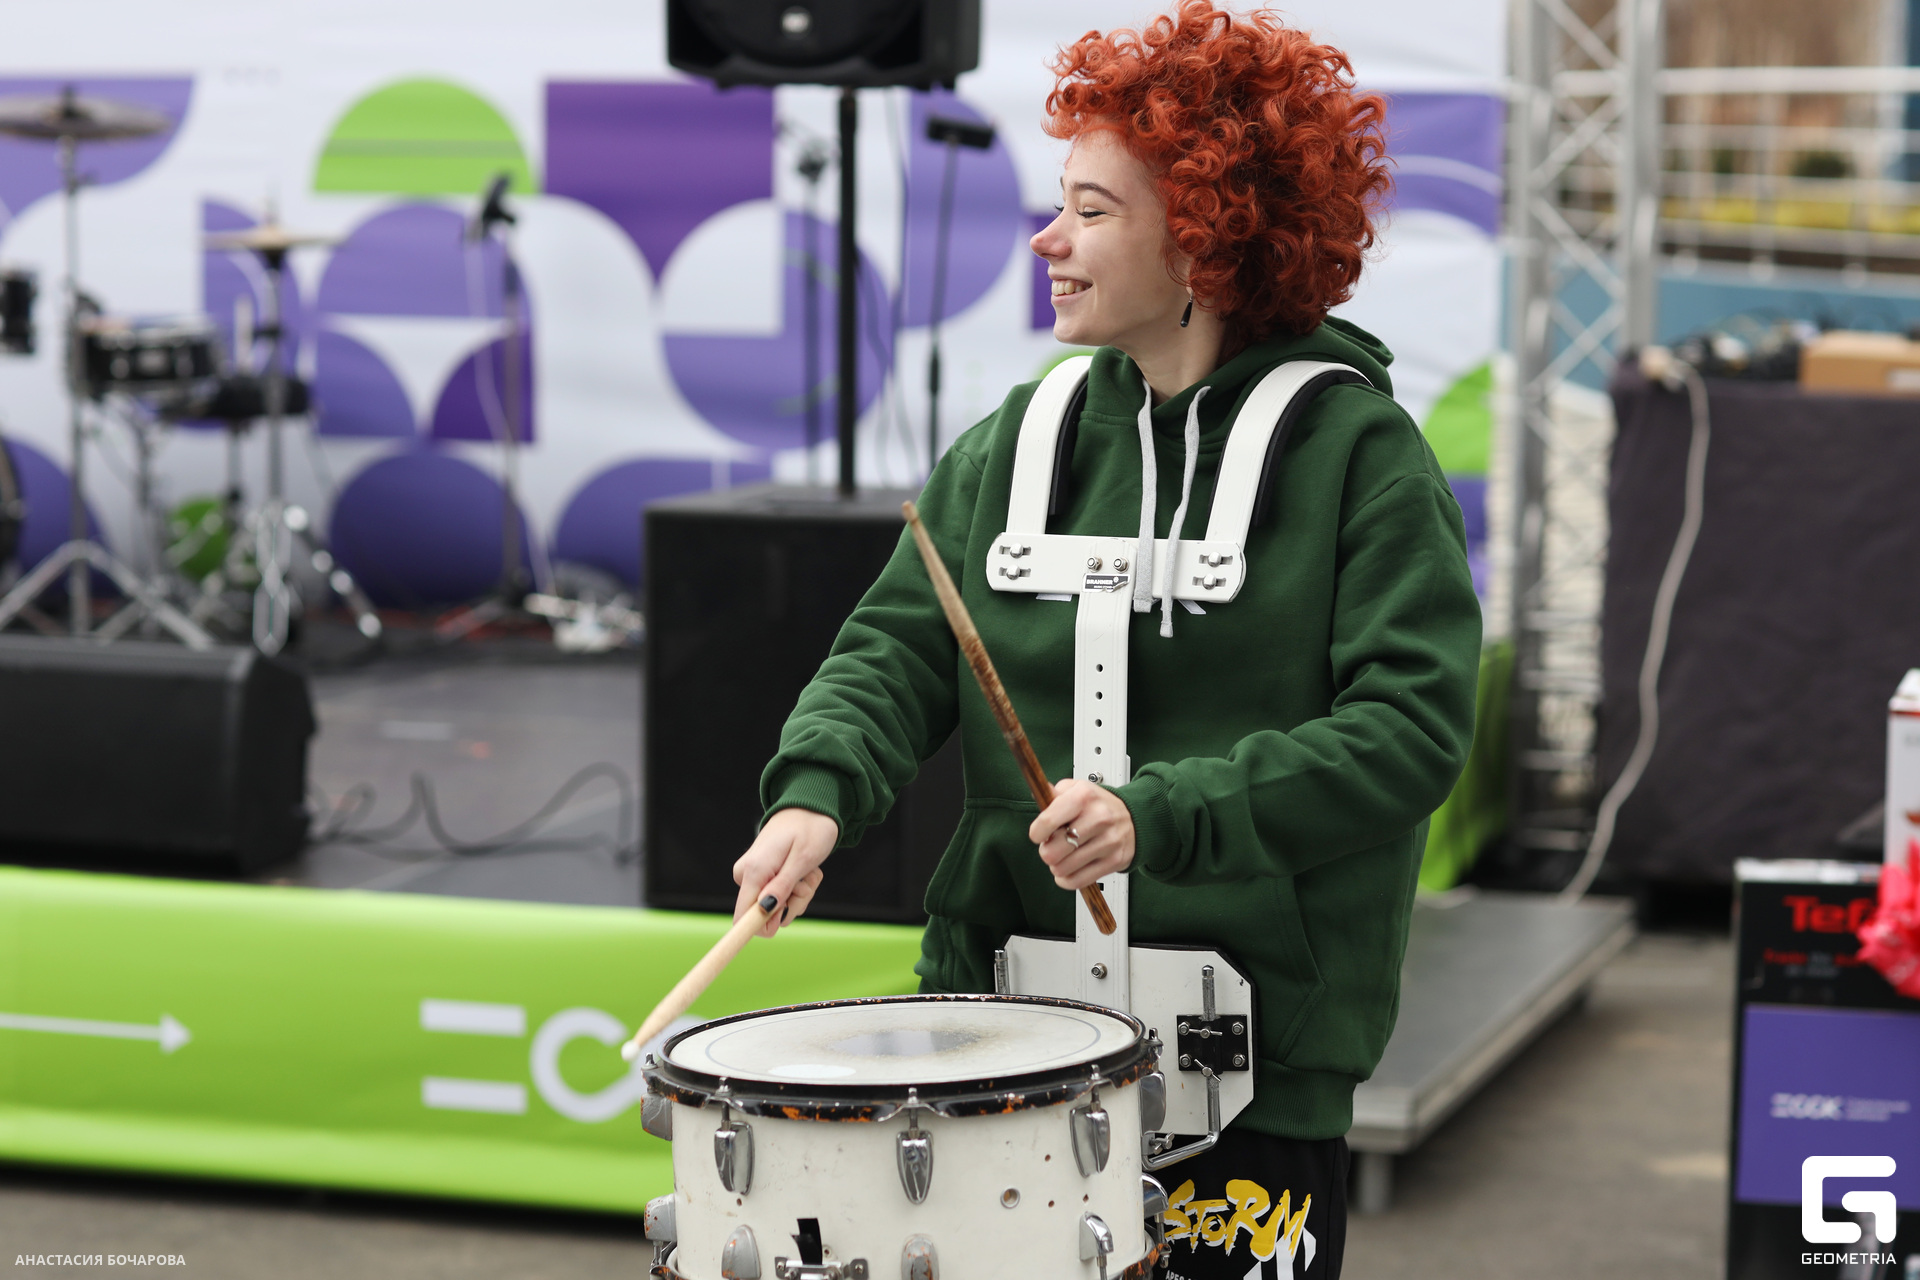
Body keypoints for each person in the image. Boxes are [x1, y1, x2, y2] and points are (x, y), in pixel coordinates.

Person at [729, 4, 1481, 1276]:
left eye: (1089, 209)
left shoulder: (1361, 457)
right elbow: (897, 650)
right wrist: (815, 794)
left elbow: (1408, 732)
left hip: (1255, 1070)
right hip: (995, 1035)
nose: (1047, 237)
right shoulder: (1019, 439)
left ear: (1205, 238)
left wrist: (1161, 814)